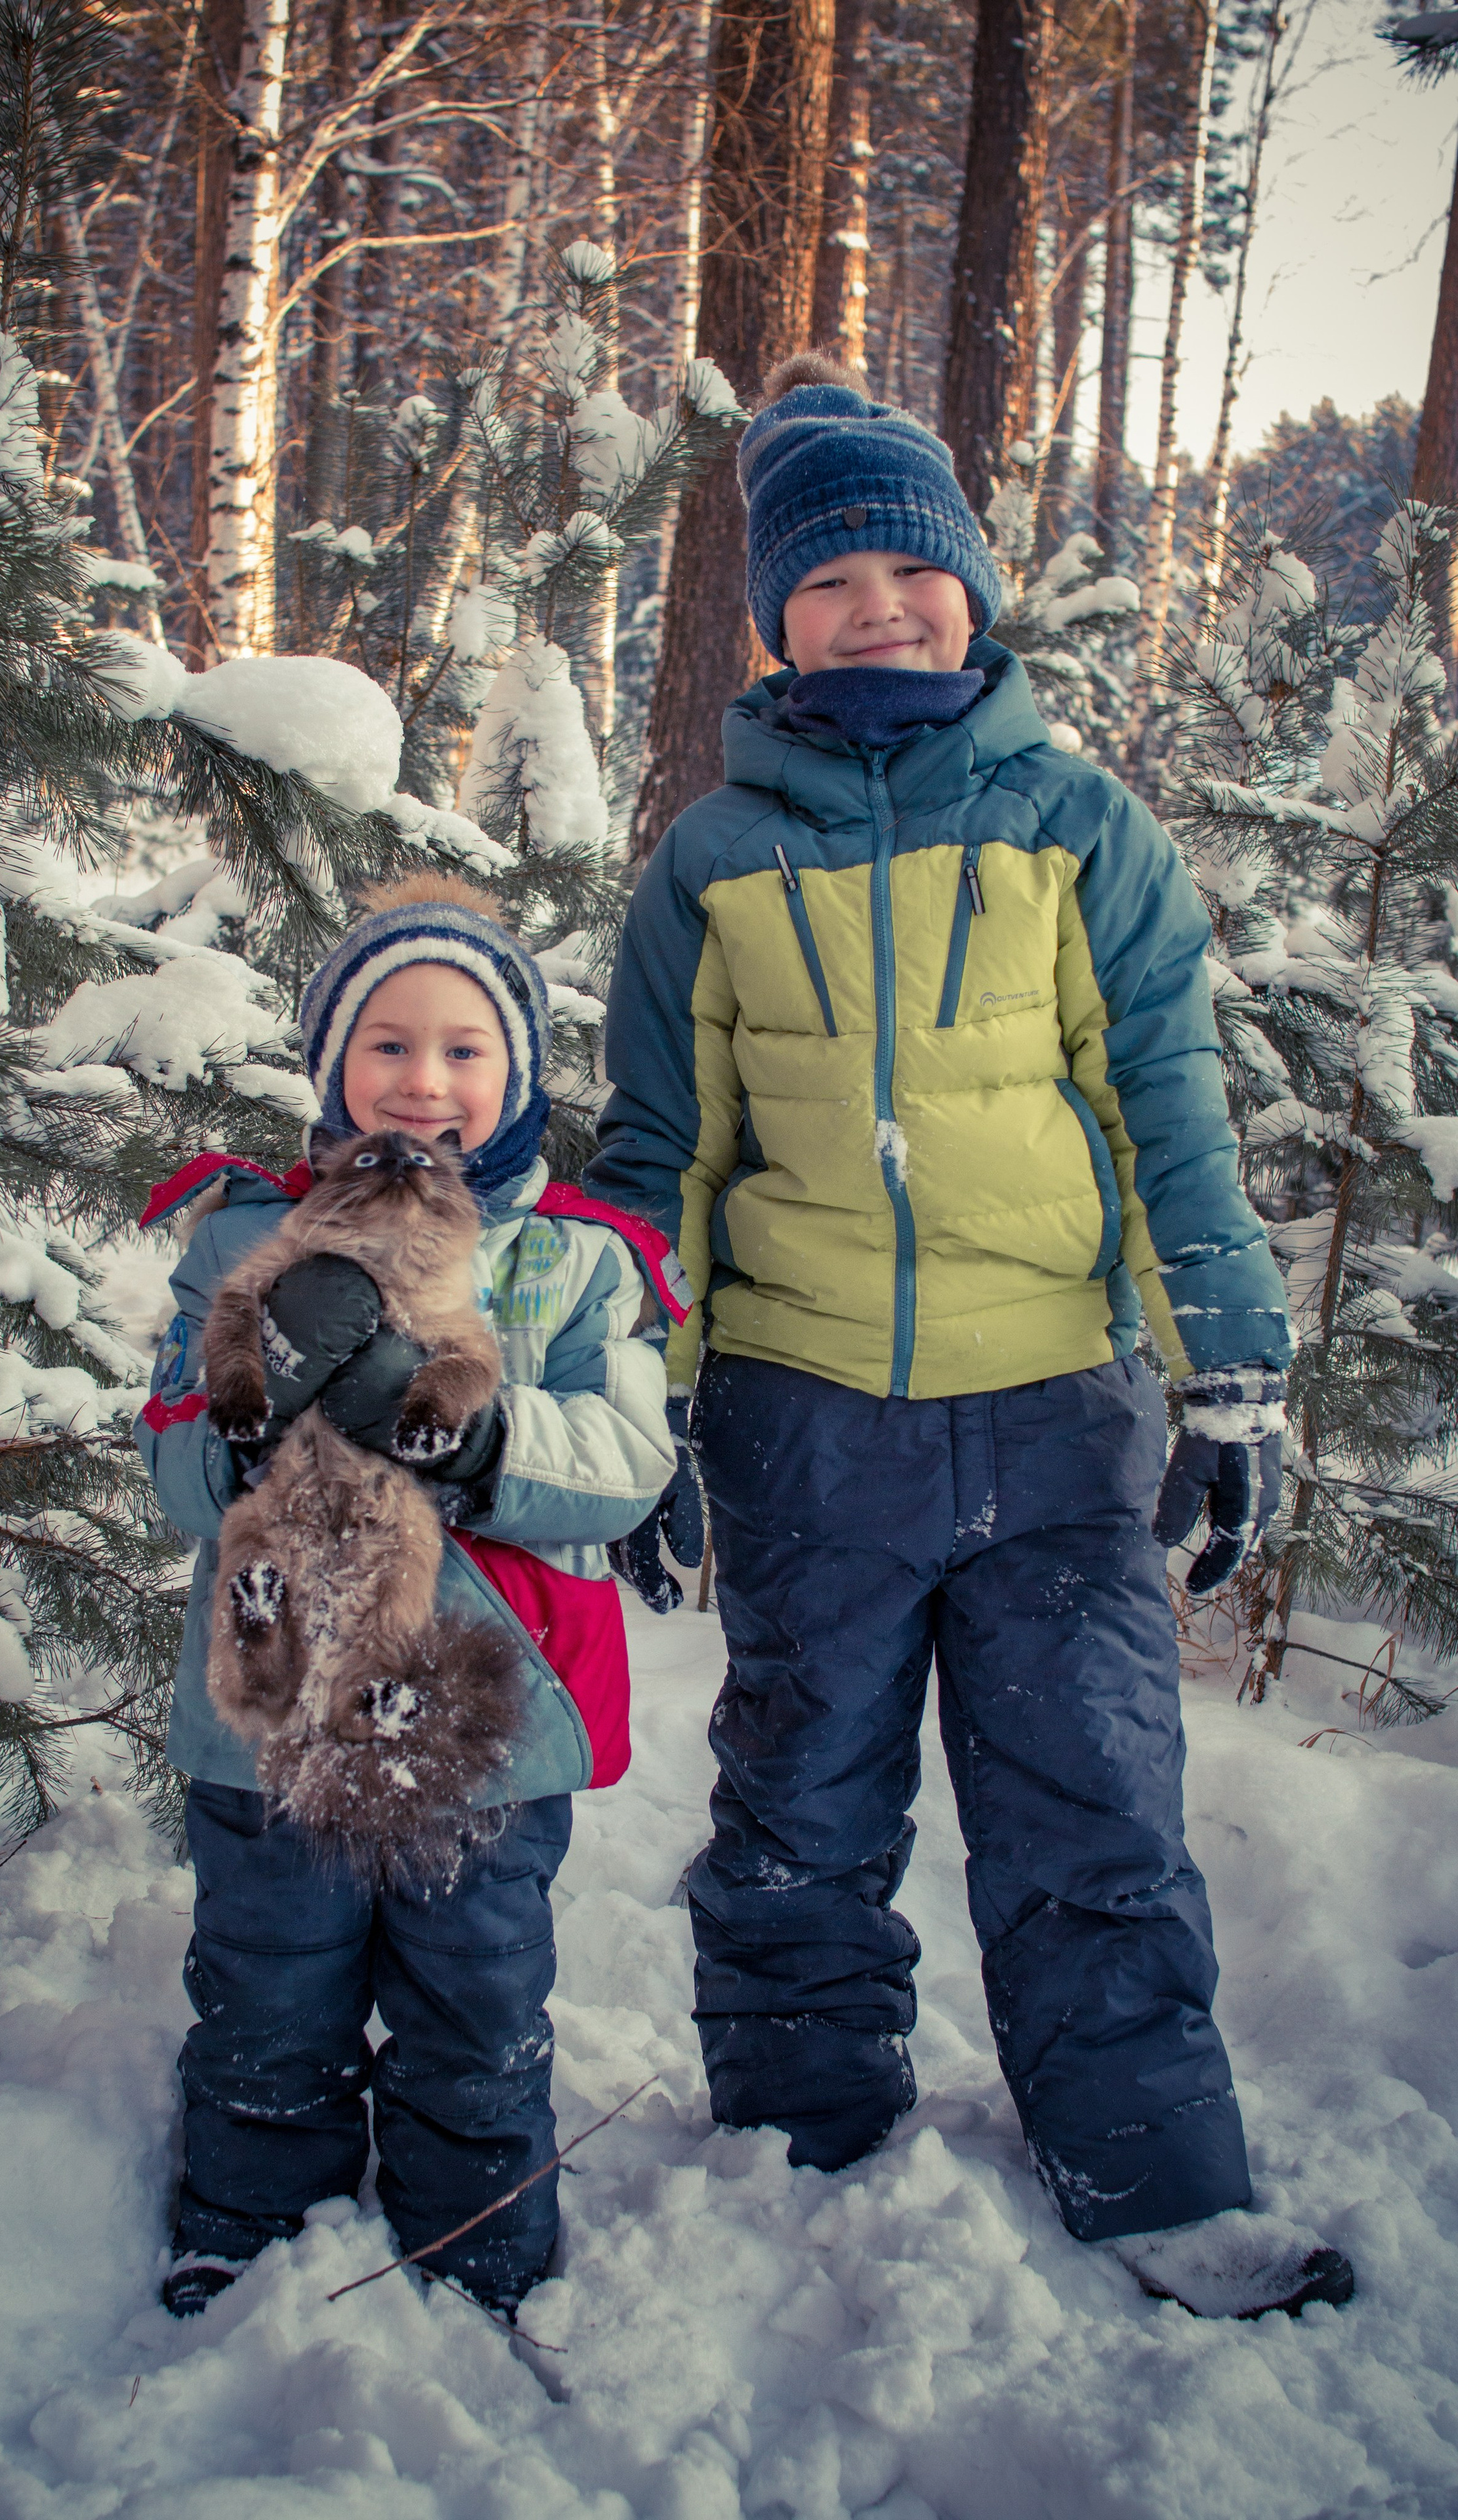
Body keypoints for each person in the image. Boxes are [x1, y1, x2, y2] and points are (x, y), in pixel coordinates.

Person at [587, 354, 1354, 2322]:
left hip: (1054, 1411)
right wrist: (639, 1398)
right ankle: (796, 2149)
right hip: (805, 1411)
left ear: (973, 591)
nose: (882, 610)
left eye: (912, 574)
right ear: (775, 621)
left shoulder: (1077, 828)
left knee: (1092, 1799)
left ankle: (1156, 2170)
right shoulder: (710, 864)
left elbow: (1167, 1099)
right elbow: (662, 1151)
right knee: (801, 1805)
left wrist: (1235, 1366)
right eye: (832, 582)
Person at [137, 874, 675, 2318]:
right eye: (386, 1043)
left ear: (515, 1079)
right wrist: (252, 1422)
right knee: (268, 1982)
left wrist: (475, 1429)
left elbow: (624, 1460)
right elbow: (173, 1475)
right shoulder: (234, 1241)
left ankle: (480, 2229)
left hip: (485, 1719)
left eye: (461, 1049)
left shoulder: (574, 1258)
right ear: (329, 1064)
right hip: (271, 1711)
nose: (422, 1082)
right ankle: (246, 2215)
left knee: (476, 1992)